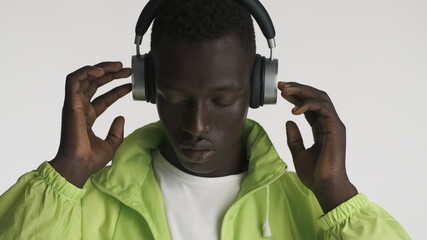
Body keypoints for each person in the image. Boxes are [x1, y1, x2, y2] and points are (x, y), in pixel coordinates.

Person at [0, 0, 410, 239]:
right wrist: (68, 170)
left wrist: (336, 193)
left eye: (223, 99)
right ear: (148, 86)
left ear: (257, 89)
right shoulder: (79, 206)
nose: (197, 124)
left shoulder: (310, 209)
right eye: (174, 98)